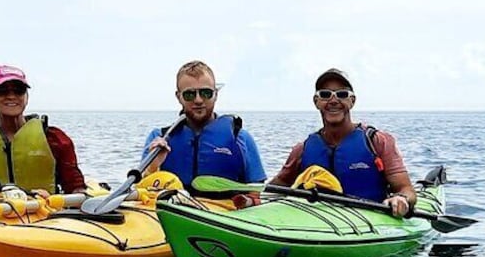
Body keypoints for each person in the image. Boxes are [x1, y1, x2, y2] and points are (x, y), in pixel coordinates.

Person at [271, 68, 415, 216]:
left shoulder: (377, 142)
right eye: (325, 95)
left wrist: (401, 199)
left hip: (371, 223)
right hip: (315, 225)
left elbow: (406, 190)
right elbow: (273, 189)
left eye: (342, 94)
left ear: (352, 101)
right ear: (316, 102)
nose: (333, 101)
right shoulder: (302, 149)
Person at [0, 65, 87, 195]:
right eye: (2, 90)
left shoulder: (54, 139)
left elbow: (76, 187)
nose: (11, 96)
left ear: (26, 97)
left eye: (18, 90)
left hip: (46, 211)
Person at [141, 60, 267, 190]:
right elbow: (142, 191)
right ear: (179, 97)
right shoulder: (159, 139)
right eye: (189, 94)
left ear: (216, 95)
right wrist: (153, 167)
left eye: (206, 93)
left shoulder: (240, 137)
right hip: (173, 206)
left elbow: (257, 190)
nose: (198, 100)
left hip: (225, 208)